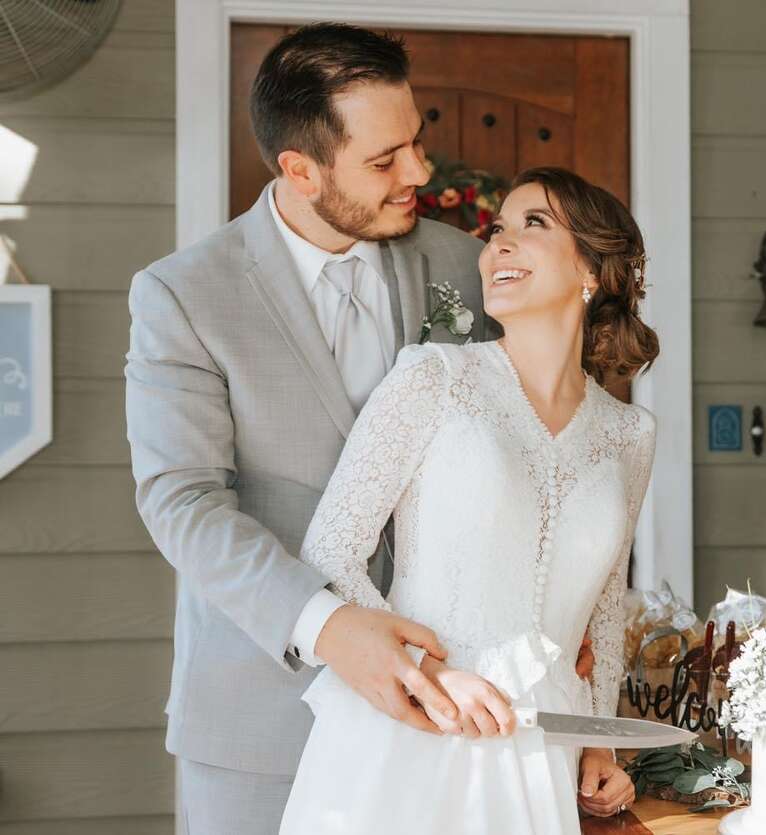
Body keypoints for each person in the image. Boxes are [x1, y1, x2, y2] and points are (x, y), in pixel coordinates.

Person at [125, 24, 592, 833]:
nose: (419, 172)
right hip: (261, 726)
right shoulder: (183, 297)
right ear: (301, 170)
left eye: (416, 142)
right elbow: (184, 503)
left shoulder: (463, 266)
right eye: (385, 160)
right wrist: (331, 627)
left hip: (451, 716)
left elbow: (531, 440)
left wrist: (556, 608)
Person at [278, 166, 657, 833]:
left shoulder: (630, 434)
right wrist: (427, 673)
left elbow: (604, 610)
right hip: (415, 728)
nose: (497, 247)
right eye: (495, 231)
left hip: (544, 750)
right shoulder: (433, 376)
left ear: (593, 269)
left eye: (531, 225)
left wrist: (600, 742)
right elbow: (332, 550)